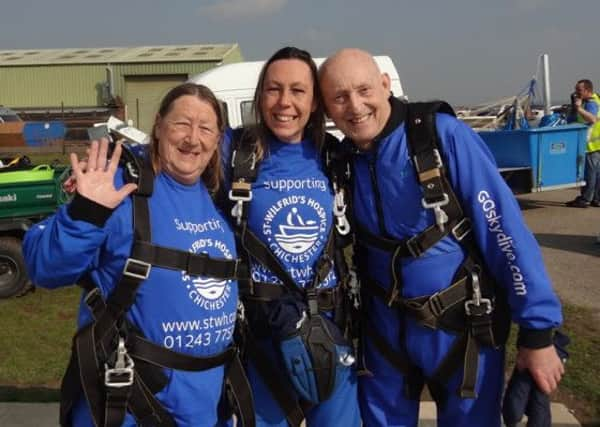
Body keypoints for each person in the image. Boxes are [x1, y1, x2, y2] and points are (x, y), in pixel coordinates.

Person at [318, 48, 564, 427]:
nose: (355, 106)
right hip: (384, 334)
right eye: (339, 97)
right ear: (327, 109)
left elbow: (505, 233)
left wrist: (538, 331)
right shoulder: (343, 161)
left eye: (364, 90)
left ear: (385, 86)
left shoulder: (440, 137)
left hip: (461, 330)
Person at [23, 83, 248, 427]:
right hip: (131, 405)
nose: (192, 138)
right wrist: (85, 212)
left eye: (205, 128)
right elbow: (45, 268)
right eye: (181, 124)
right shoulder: (120, 190)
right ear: (158, 127)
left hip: (204, 406)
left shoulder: (217, 200)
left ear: (218, 140)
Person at [221, 46, 360, 427]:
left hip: (329, 335)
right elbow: (172, 155)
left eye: (298, 91)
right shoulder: (235, 152)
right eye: (273, 89)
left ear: (315, 102)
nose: (284, 102)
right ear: (259, 96)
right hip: (261, 336)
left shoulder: (334, 157)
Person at [566, 79, 600, 208]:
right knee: (596, 174)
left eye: (579, 90)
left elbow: (591, 118)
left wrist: (579, 108)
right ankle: (596, 198)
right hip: (594, 144)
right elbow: (571, 120)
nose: (576, 93)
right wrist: (574, 108)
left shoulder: (591, 103)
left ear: (587, 91)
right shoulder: (592, 100)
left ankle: (585, 199)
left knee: (589, 174)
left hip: (591, 145)